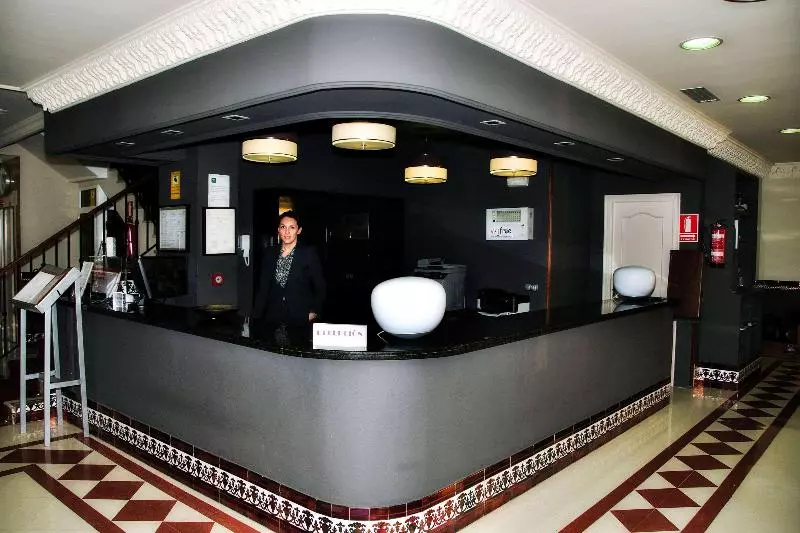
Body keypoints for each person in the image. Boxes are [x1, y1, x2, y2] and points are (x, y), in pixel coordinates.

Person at [252, 210, 326, 326]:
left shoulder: (308, 253)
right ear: (278, 230)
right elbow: (263, 288)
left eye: (292, 227)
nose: (287, 232)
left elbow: (320, 286)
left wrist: (314, 312)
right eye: (283, 227)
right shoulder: (270, 253)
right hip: (273, 316)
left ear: (299, 230)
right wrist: (256, 316)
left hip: (300, 316)